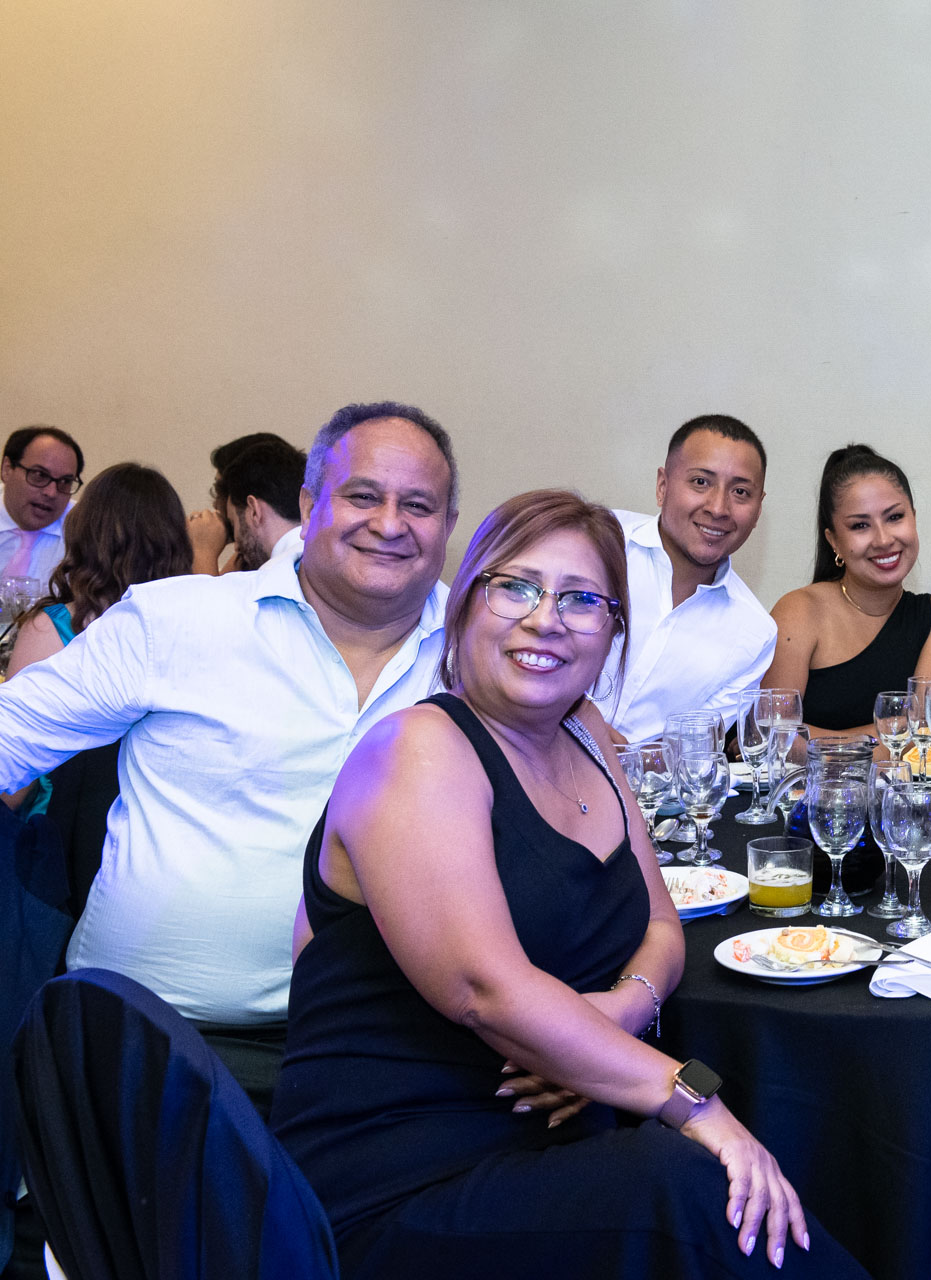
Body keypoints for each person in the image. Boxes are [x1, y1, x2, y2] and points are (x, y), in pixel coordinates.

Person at [272, 489, 866, 1279]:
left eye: (582, 600)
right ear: (466, 604)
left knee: (743, 1176)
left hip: (558, 1144)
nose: (546, 618)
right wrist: (692, 1096)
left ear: (612, 630)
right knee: (691, 1183)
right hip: (400, 1177)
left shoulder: (584, 735)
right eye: (516, 587)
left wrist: (613, 1015)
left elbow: (660, 928)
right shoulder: (419, 748)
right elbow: (486, 991)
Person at [0, 402, 456, 1111]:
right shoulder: (178, 619)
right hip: (144, 1045)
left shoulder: (478, 658)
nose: (390, 523)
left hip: (372, 1058)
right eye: (363, 495)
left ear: (448, 525)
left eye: (418, 505)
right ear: (309, 503)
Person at [3, 463, 193, 817]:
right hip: (157, 823)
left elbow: (13, 775)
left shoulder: (52, 628)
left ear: (86, 532)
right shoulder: (190, 629)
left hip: (61, 831)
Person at [596, 415, 777, 744]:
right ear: (662, 486)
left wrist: (619, 756)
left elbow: (685, 753)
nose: (718, 508)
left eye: (740, 491)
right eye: (701, 482)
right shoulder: (599, 543)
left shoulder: (754, 634)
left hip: (634, 778)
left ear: (758, 508)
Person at [764, 444, 931, 736]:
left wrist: (814, 738)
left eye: (895, 517)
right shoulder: (799, 611)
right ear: (833, 541)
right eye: (860, 526)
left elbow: (929, 736)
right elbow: (773, 736)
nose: (883, 540)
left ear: (914, 517)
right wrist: (893, 731)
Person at [190, 437, 307, 574]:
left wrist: (203, 550)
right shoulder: (319, 552)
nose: (236, 547)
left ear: (254, 512)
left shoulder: (275, 575)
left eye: (233, 523)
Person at [0, 425, 85, 588]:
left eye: (65, 482)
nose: (51, 493)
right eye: (39, 475)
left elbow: (91, 599)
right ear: (7, 469)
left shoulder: (85, 532)